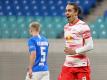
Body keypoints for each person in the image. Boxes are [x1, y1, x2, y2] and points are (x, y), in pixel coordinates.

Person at [58, 2, 93, 80]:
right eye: (66, 11)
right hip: (68, 65)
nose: (67, 13)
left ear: (76, 12)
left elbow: (90, 45)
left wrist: (75, 51)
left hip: (81, 66)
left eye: (69, 10)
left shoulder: (83, 26)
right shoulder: (66, 27)